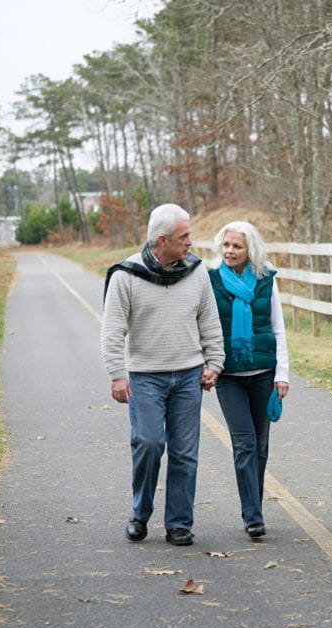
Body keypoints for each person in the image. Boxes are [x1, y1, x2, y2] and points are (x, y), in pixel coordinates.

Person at [101, 203, 225, 547]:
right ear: (162, 240)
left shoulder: (196, 272)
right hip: (145, 377)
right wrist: (117, 374)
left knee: (185, 452)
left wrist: (214, 362)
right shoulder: (126, 275)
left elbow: (209, 320)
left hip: (188, 375)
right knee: (150, 443)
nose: (190, 242)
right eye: (184, 236)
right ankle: (140, 513)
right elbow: (112, 330)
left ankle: (179, 524)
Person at [208, 221, 290, 539]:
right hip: (228, 375)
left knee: (261, 447)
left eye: (236, 246)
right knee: (244, 444)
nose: (229, 251)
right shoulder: (211, 279)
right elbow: (205, 325)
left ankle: (253, 506)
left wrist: (282, 375)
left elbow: (277, 328)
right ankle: (253, 515)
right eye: (226, 245)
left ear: (250, 250)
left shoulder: (266, 279)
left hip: (263, 374)